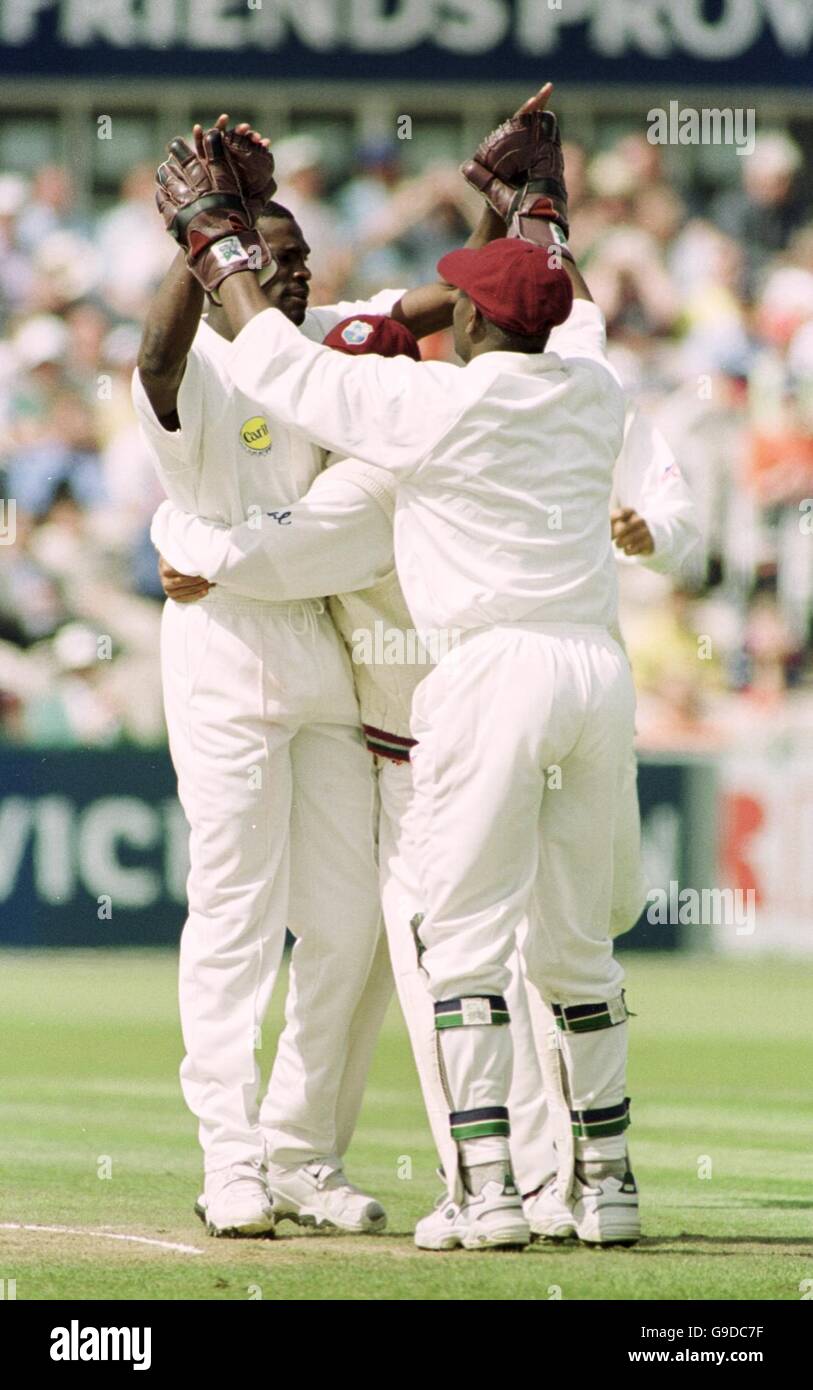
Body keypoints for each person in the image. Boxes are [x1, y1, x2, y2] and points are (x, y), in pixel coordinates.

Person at [154, 113, 646, 1251]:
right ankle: (604, 1186)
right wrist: (532, 211)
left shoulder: (434, 410)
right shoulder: (591, 393)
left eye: (460, 299)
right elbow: (533, 292)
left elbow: (280, 364)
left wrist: (207, 233)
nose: (448, 307)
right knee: (574, 948)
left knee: (460, 946)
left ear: (471, 323)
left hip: (486, 682)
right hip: (594, 672)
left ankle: (489, 1197)